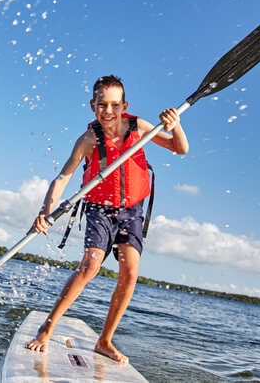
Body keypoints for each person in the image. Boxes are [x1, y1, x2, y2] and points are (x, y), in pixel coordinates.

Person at [25, 74, 189, 363]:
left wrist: (176, 126)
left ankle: (105, 341)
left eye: (115, 105)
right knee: (90, 265)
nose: (109, 112)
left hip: (131, 211)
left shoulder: (140, 128)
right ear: (92, 106)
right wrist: (44, 211)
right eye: (102, 105)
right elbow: (63, 178)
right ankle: (47, 327)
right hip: (99, 209)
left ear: (124, 105)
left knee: (131, 272)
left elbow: (180, 148)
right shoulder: (87, 140)